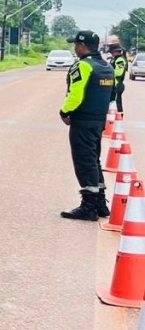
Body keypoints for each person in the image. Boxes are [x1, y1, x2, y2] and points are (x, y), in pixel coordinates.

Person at [59, 30, 116, 221]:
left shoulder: (83, 66)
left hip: (82, 121)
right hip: (98, 120)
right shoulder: (106, 66)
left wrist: (65, 111)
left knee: (84, 161)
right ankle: (100, 204)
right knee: (93, 159)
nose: (75, 48)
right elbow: (113, 93)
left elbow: (75, 95)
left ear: (82, 46)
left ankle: (88, 207)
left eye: (76, 44)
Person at [109, 39, 127, 115]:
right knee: (113, 102)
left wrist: (108, 73)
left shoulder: (120, 60)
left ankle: (119, 117)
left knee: (117, 103)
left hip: (117, 84)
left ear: (116, 51)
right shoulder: (115, 59)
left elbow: (119, 73)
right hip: (114, 84)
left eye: (112, 52)